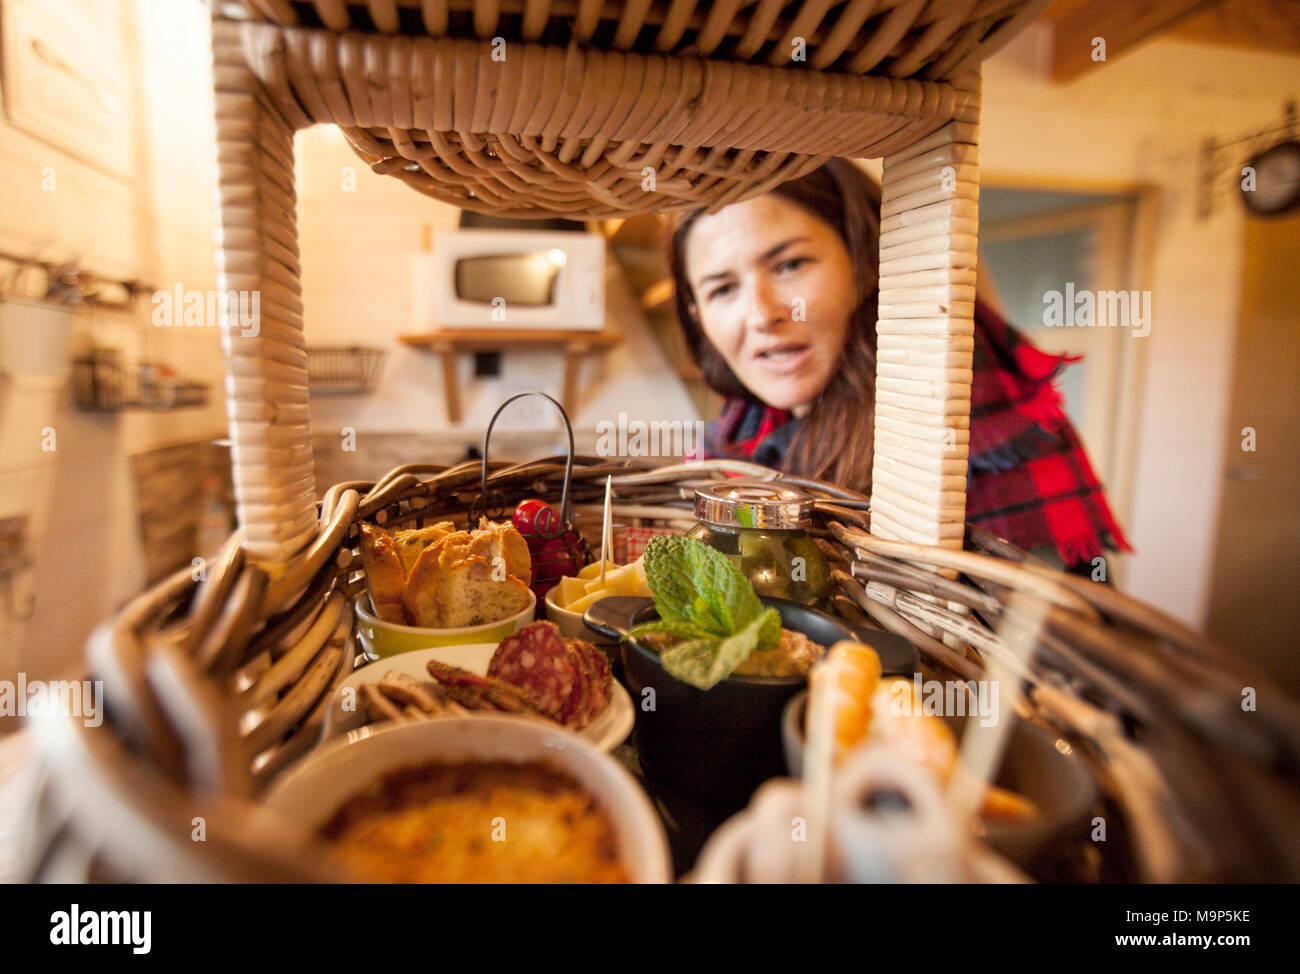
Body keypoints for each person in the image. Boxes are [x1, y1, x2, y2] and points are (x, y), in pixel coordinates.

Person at [666, 158, 1130, 575]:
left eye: (789, 264)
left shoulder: (978, 436)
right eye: (722, 289)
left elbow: (1056, 652)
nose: (762, 313)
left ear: (866, 262)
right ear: (695, 313)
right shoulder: (735, 438)